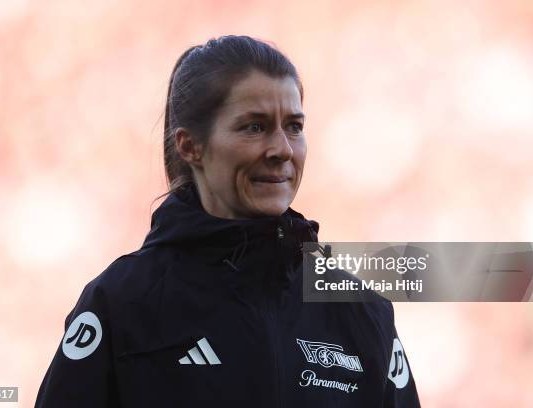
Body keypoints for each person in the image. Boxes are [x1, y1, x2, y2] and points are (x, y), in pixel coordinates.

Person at [35, 35, 421, 407]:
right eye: (254, 126)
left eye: (294, 126)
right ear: (190, 146)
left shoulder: (362, 310)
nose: (282, 149)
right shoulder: (121, 304)